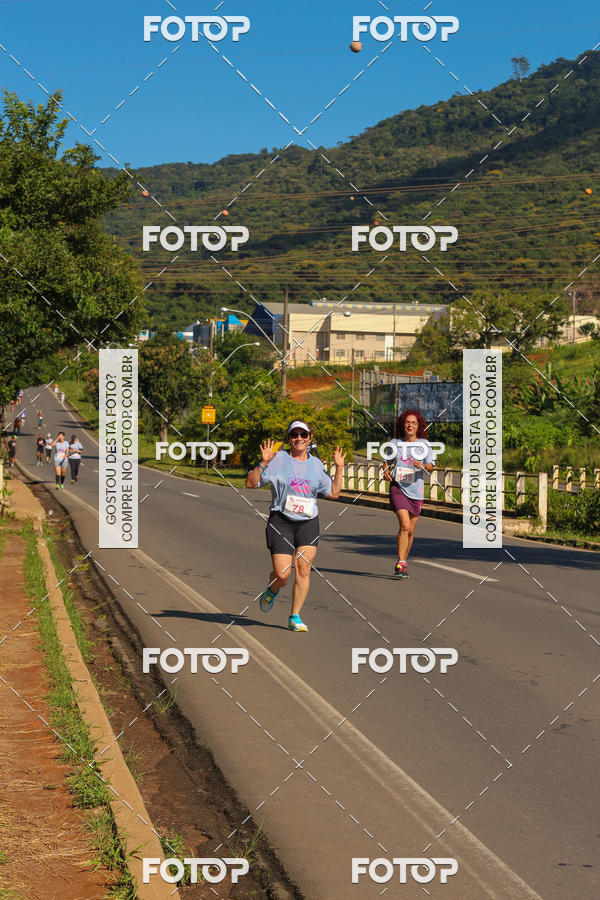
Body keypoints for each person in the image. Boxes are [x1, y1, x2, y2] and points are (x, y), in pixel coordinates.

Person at [246, 420, 346, 632]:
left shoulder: (317, 464)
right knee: (282, 574)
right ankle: (272, 589)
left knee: (303, 569)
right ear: (289, 438)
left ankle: (295, 616)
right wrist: (263, 463)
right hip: (281, 520)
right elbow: (251, 483)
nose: (299, 438)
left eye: (303, 434)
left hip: (308, 522)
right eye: (294, 435)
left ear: (310, 438)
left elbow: (334, 493)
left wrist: (339, 468)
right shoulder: (278, 458)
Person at [382, 408, 435, 579]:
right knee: (404, 525)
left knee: (411, 530)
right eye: (407, 422)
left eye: (413, 422)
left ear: (418, 426)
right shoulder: (395, 443)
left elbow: (431, 466)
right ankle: (401, 562)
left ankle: (403, 561)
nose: (410, 425)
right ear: (402, 425)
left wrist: (423, 465)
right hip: (398, 487)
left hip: (416, 491)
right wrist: (385, 471)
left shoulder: (425, 445)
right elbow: (386, 462)